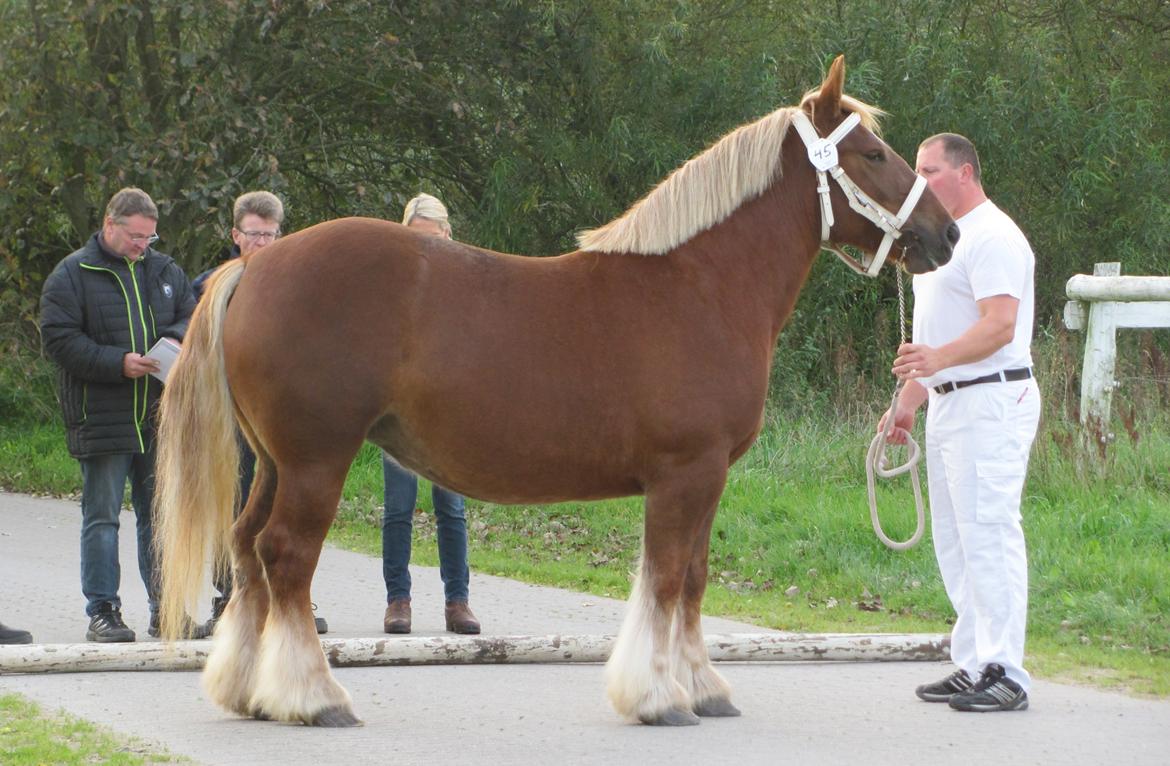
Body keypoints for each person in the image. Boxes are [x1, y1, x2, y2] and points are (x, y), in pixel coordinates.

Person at [878, 133, 1040, 712]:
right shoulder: (939, 243)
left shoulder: (994, 236)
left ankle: (1007, 672)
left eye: (929, 170)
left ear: (965, 173)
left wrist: (937, 363)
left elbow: (999, 326)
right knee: (955, 537)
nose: (919, 180)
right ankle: (972, 661)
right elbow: (937, 336)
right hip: (951, 399)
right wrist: (908, 399)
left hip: (992, 400)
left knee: (989, 532)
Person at [40, 187, 200, 643]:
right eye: (135, 237)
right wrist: (118, 363)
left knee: (159, 517)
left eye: (149, 237)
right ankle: (104, 610)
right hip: (102, 415)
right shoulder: (71, 275)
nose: (142, 246)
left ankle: (166, 609)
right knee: (103, 516)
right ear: (110, 225)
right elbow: (59, 339)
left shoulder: (164, 269)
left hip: (158, 417)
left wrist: (171, 341)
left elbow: (192, 315)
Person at [192, 191, 327, 635]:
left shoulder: (296, 291)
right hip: (229, 411)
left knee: (283, 498)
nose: (263, 243)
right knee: (233, 502)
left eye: (271, 234)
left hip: (276, 413)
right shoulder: (210, 284)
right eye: (255, 235)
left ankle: (287, 593)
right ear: (236, 235)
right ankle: (230, 592)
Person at [382, 193, 480, 635]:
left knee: (451, 508)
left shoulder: (467, 288)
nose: (428, 248)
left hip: (450, 413)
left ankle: (457, 601)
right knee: (398, 509)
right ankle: (397, 601)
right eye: (418, 239)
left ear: (448, 235)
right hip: (402, 412)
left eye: (435, 238)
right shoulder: (394, 288)